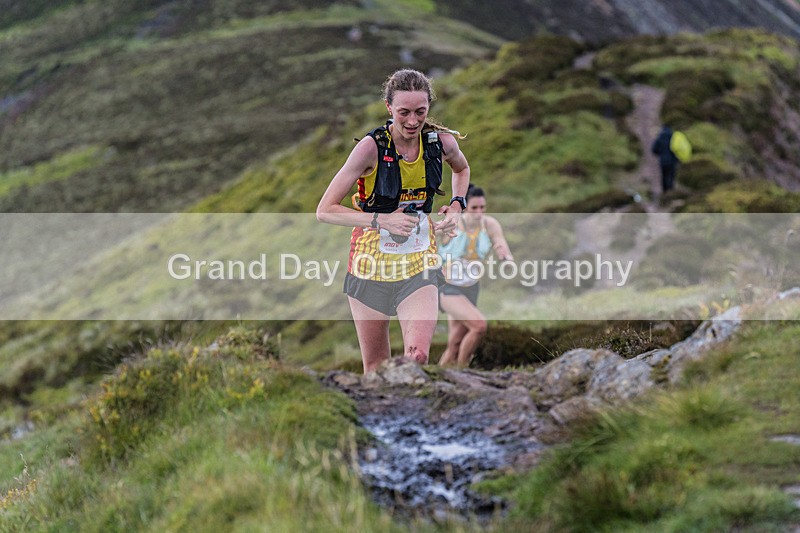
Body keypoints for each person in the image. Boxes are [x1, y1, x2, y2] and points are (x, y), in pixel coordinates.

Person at [317, 69, 470, 373]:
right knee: (376, 368)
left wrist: (456, 205)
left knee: (418, 358)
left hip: (419, 260)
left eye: (420, 112)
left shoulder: (441, 143)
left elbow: (462, 170)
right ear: (389, 108)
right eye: (404, 113)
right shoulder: (370, 148)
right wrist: (380, 221)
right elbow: (325, 209)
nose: (412, 121)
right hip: (369, 262)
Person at [437, 186, 512, 367]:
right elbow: (427, 238)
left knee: (454, 344)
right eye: (474, 208)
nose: (479, 212)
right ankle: (464, 371)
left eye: (482, 207)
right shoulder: (452, 224)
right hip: (448, 288)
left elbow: (500, 243)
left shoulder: (490, 224)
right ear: (464, 208)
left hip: (471, 288)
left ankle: (436, 376)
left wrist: (506, 257)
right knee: (479, 326)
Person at [651, 124, 680, 194]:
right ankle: (671, 191)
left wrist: (660, 154)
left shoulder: (660, 137)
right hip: (673, 161)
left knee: (664, 176)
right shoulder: (673, 137)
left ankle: (665, 192)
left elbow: (654, 149)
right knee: (671, 176)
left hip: (663, 161)